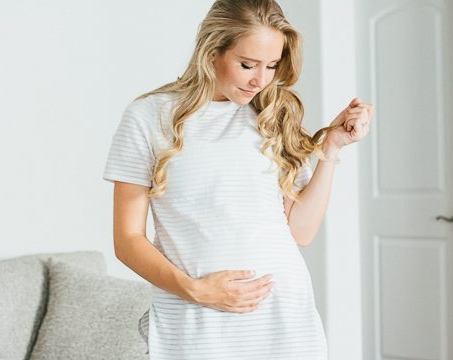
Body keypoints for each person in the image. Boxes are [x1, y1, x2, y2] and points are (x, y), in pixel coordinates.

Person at [102, 0, 373, 358]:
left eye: (272, 66)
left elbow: (300, 232)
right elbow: (128, 240)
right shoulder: (149, 117)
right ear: (212, 52)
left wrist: (332, 147)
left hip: (285, 321)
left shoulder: (273, 116)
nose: (261, 80)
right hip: (197, 322)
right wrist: (195, 290)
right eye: (247, 65)